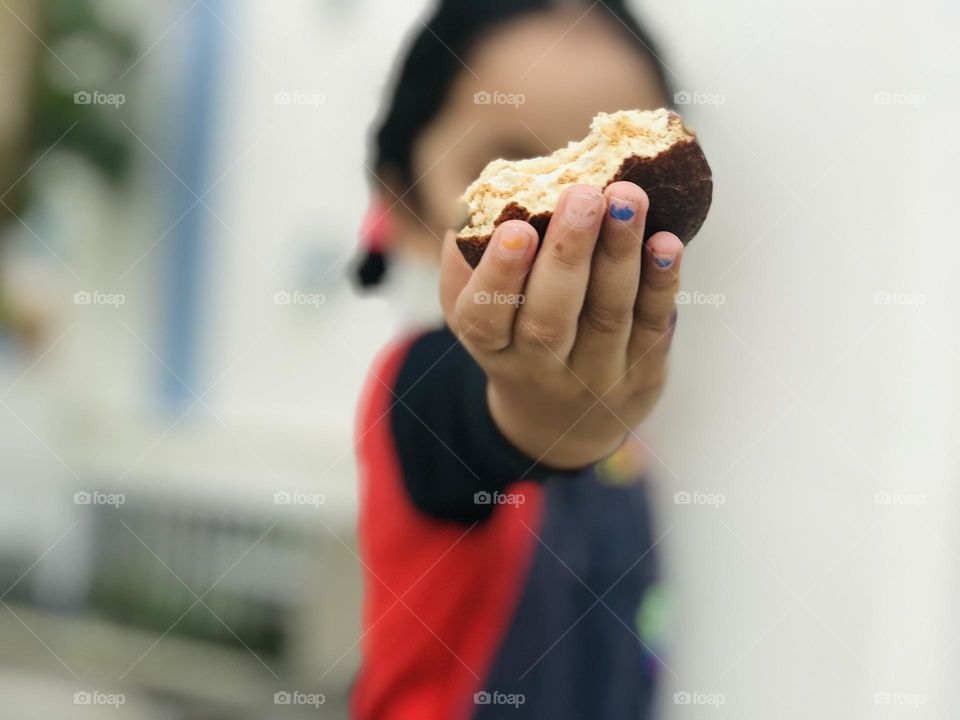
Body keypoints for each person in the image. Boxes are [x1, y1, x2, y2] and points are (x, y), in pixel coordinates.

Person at [352, 1, 684, 717]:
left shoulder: (630, 425)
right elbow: (489, 416)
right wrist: (548, 414)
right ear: (404, 206)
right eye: (511, 170)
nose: (568, 216)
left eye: (615, 181)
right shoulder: (418, 390)